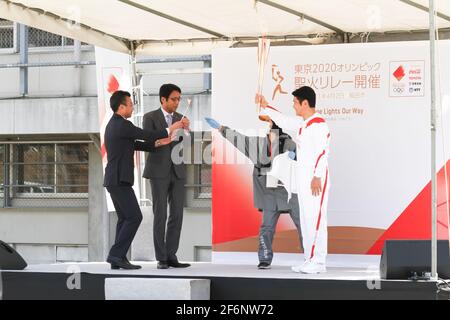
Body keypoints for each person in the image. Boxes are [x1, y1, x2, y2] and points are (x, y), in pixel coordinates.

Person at [205, 116, 303, 270]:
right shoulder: (258, 144)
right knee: (267, 227)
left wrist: (296, 156)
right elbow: (238, 139)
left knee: (303, 224)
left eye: (274, 129)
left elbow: (306, 157)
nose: (272, 132)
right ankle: (264, 258)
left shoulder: (290, 144)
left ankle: (311, 257)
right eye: (270, 129)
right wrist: (221, 128)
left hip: (289, 192)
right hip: (268, 193)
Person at [104, 90, 187, 270]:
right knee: (134, 217)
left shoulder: (114, 125)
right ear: (121, 107)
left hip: (115, 180)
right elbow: (145, 134)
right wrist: (170, 129)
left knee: (124, 219)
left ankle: (119, 258)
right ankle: (115, 255)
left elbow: (136, 144)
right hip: (118, 180)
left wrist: (158, 143)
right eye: (130, 104)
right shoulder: (123, 125)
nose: (133, 107)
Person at [257, 86, 331, 274]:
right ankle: (309, 259)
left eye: (295, 103)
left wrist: (317, 176)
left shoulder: (319, 125)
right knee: (306, 220)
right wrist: (265, 106)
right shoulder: (303, 124)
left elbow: (323, 153)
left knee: (315, 220)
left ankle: (319, 261)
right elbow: (284, 120)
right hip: (303, 178)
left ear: (305, 103)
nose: (293, 106)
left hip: (315, 180)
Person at [142, 84, 191, 269]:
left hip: (177, 170)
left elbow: (186, 145)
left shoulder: (181, 118)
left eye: (179, 99)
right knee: (160, 213)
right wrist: (171, 129)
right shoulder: (150, 117)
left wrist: (187, 131)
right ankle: (161, 257)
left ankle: (171, 255)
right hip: (158, 171)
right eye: (173, 99)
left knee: (177, 213)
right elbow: (149, 142)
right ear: (163, 99)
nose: (177, 102)